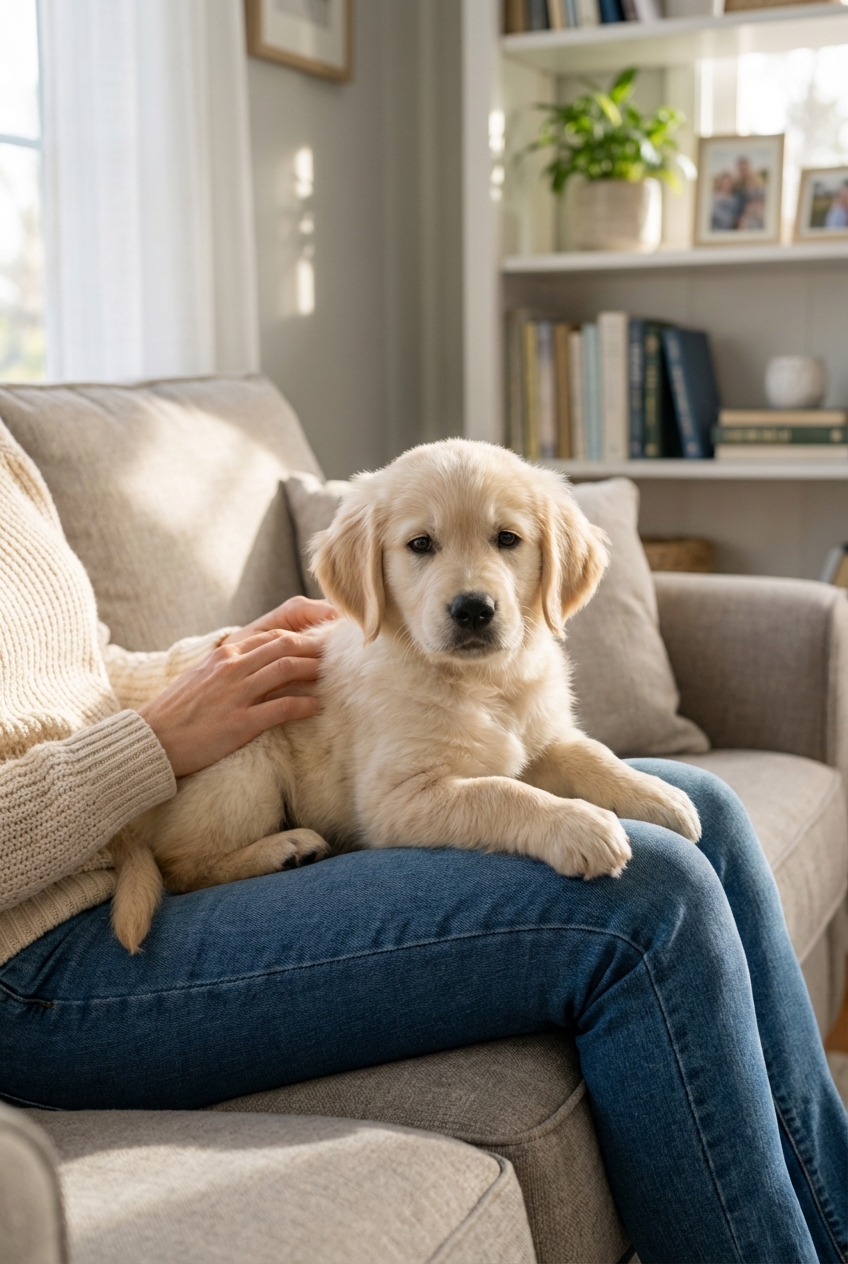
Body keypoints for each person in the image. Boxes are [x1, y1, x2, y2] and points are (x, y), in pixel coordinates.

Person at [0, 417, 845, 1264]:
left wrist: (223, 664)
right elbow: (404, 799)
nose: (468, 582)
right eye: (425, 547)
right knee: (649, 893)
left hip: (135, 793)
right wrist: (150, 747)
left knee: (708, 809)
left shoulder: (9, 456)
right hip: (37, 959)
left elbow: (82, 670)